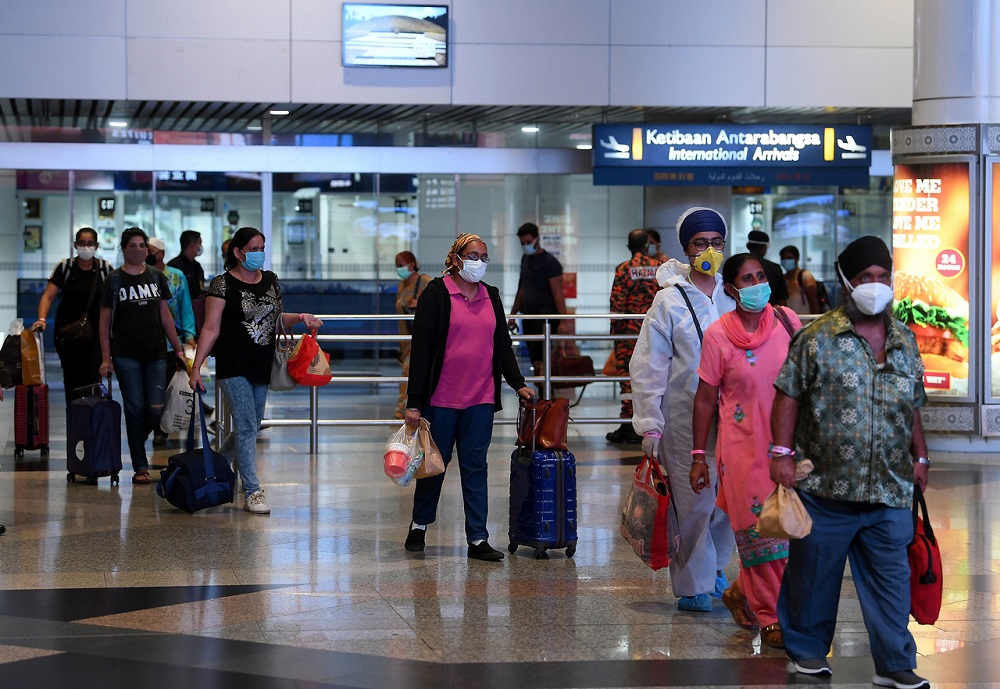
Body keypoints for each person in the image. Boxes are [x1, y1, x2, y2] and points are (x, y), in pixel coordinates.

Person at [770, 236, 930, 689]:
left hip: (889, 489)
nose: (875, 285)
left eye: (882, 276)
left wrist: (921, 455)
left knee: (892, 582)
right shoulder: (817, 338)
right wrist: (781, 453)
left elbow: (913, 404)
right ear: (846, 281)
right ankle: (807, 651)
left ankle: (894, 663)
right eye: (865, 277)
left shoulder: (904, 340)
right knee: (813, 577)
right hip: (826, 488)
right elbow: (787, 395)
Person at [691, 253, 801, 649]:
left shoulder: (788, 321)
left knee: (788, 533)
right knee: (761, 534)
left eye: (760, 277)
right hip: (741, 451)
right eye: (747, 279)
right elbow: (705, 399)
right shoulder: (718, 335)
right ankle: (771, 616)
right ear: (731, 289)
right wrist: (698, 456)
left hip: (787, 446)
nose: (757, 285)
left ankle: (740, 593)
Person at [403, 233, 534, 561]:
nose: (479, 262)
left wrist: (517, 383)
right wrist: (414, 402)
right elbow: (421, 351)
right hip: (441, 400)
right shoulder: (436, 293)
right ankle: (419, 524)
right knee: (435, 466)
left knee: (476, 467)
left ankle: (478, 538)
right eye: (473, 255)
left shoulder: (491, 295)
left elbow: (502, 346)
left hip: (480, 398)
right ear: (456, 258)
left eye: (484, 257)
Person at [631, 207, 737, 612]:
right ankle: (693, 584)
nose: (709, 250)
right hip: (684, 417)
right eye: (700, 243)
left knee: (728, 500)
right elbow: (649, 365)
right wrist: (649, 423)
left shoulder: (735, 293)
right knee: (694, 503)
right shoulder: (669, 301)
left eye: (716, 242)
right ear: (686, 248)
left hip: (735, 417)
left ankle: (715, 567)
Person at [189, 227, 323, 514]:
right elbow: (210, 328)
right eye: (253, 249)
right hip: (232, 363)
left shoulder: (271, 280)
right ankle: (252, 490)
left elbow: (276, 319)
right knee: (248, 424)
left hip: (262, 363)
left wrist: (301, 317)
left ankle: (216, 467)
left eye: (262, 248)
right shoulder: (222, 284)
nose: (259, 253)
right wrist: (196, 366)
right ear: (238, 252)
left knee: (250, 425)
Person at [98, 227, 186, 484]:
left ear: (148, 249)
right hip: (126, 354)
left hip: (156, 352)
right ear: (123, 249)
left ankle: (137, 439)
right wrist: (105, 358)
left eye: (141, 245)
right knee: (135, 408)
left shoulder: (156, 276)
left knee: (156, 408)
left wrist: (178, 349)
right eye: (132, 245)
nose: (138, 250)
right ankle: (140, 465)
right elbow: (104, 322)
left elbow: (165, 316)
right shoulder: (114, 280)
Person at [33, 227, 112, 405]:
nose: (86, 247)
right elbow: (48, 296)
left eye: (90, 243)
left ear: (97, 246)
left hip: (96, 335)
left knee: (93, 377)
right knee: (71, 378)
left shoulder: (104, 269)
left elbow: (114, 300)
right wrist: (41, 319)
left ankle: (91, 415)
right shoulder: (65, 267)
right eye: (82, 243)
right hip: (67, 334)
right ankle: (74, 416)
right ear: (75, 245)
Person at [607, 229, 660, 444]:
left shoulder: (624, 269)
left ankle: (629, 425)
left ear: (629, 247)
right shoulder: (659, 268)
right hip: (655, 333)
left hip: (629, 334)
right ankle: (650, 424)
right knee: (653, 377)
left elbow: (617, 304)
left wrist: (614, 334)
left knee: (628, 379)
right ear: (648, 245)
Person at [508, 222, 570, 373]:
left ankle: (544, 387)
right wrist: (513, 315)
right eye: (522, 243)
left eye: (528, 242)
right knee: (534, 358)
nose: (526, 246)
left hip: (545, 318)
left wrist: (563, 321)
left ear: (537, 238)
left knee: (542, 359)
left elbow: (558, 293)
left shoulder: (550, 262)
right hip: (528, 316)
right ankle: (541, 386)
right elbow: (521, 290)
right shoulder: (525, 259)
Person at [394, 251, 432, 419]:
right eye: (397, 266)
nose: (399, 269)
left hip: (420, 338)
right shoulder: (402, 285)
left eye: (401, 265)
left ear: (412, 264)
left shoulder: (425, 281)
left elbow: (438, 303)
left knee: (409, 373)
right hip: (405, 338)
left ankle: (404, 409)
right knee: (408, 372)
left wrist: (420, 303)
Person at [147, 237, 196, 348]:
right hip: (149, 341)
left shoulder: (176, 276)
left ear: (162, 253)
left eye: (150, 251)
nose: (147, 255)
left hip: (173, 341)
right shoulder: (141, 276)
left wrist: (189, 336)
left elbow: (185, 307)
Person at [168, 229, 206, 334]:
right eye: (200, 243)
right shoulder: (174, 267)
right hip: (181, 314)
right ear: (192, 245)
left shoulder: (197, 266)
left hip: (198, 312)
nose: (201, 247)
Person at [746, 230, 788, 307]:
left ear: (747, 246)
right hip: (771, 312)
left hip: (743, 312)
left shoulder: (737, 266)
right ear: (765, 248)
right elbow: (782, 301)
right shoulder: (775, 269)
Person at [779, 245, 822, 315]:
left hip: (805, 319)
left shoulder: (805, 276)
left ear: (797, 259)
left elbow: (814, 303)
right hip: (789, 320)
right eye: (783, 258)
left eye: (789, 258)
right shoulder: (782, 278)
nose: (786, 261)